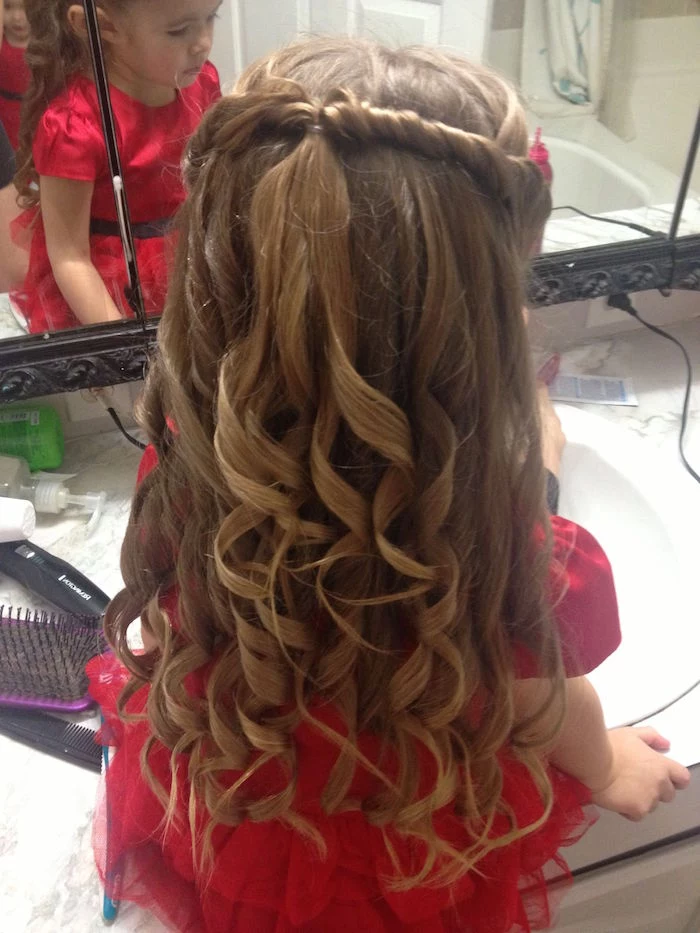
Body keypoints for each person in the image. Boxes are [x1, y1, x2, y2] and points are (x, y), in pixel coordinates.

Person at [88, 38, 690, 933]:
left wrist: (529, 465)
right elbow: (542, 699)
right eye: (504, 290)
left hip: (248, 809)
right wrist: (603, 764)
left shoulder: (194, 467)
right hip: (408, 849)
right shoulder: (514, 565)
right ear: (468, 335)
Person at [10, 0, 221, 334]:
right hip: (110, 290)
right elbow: (69, 257)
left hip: (188, 259)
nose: (203, 43)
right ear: (104, 27)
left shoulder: (204, 82)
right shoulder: (73, 127)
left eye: (212, 17)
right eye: (179, 30)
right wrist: (122, 345)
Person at [0, 0, 30, 151]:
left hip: (35, 114)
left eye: (25, 7)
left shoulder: (45, 49)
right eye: (8, 7)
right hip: (4, 119)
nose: (17, 17)